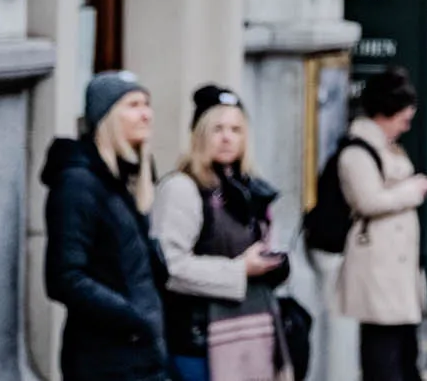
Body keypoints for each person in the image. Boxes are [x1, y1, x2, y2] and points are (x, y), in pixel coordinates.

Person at [153, 85, 291, 381]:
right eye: (217, 128)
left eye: (236, 129)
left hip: (253, 331)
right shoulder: (182, 188)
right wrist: (240, 270)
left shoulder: (252, 189)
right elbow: (171, 265)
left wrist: (274, 264)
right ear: (199, 134)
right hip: (199, 338)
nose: (227, 137)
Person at [43, 70, 170, 381]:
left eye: (147, 104)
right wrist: (133, 318)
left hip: (142, 356)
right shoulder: (78, 183)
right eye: (133, 105)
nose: (146, 115)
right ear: (107, 115)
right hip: (105, 360)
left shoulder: (122, 182)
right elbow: (65, 276)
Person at [336, 68, 427, 381]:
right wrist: (412, 191)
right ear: (387, 112)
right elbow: (367, 201)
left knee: (405, 351)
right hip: (377, 266)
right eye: (404, 117)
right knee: (383, 352)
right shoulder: (357, 151)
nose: (407, 124)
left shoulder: (387, 147)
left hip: (397, 267)